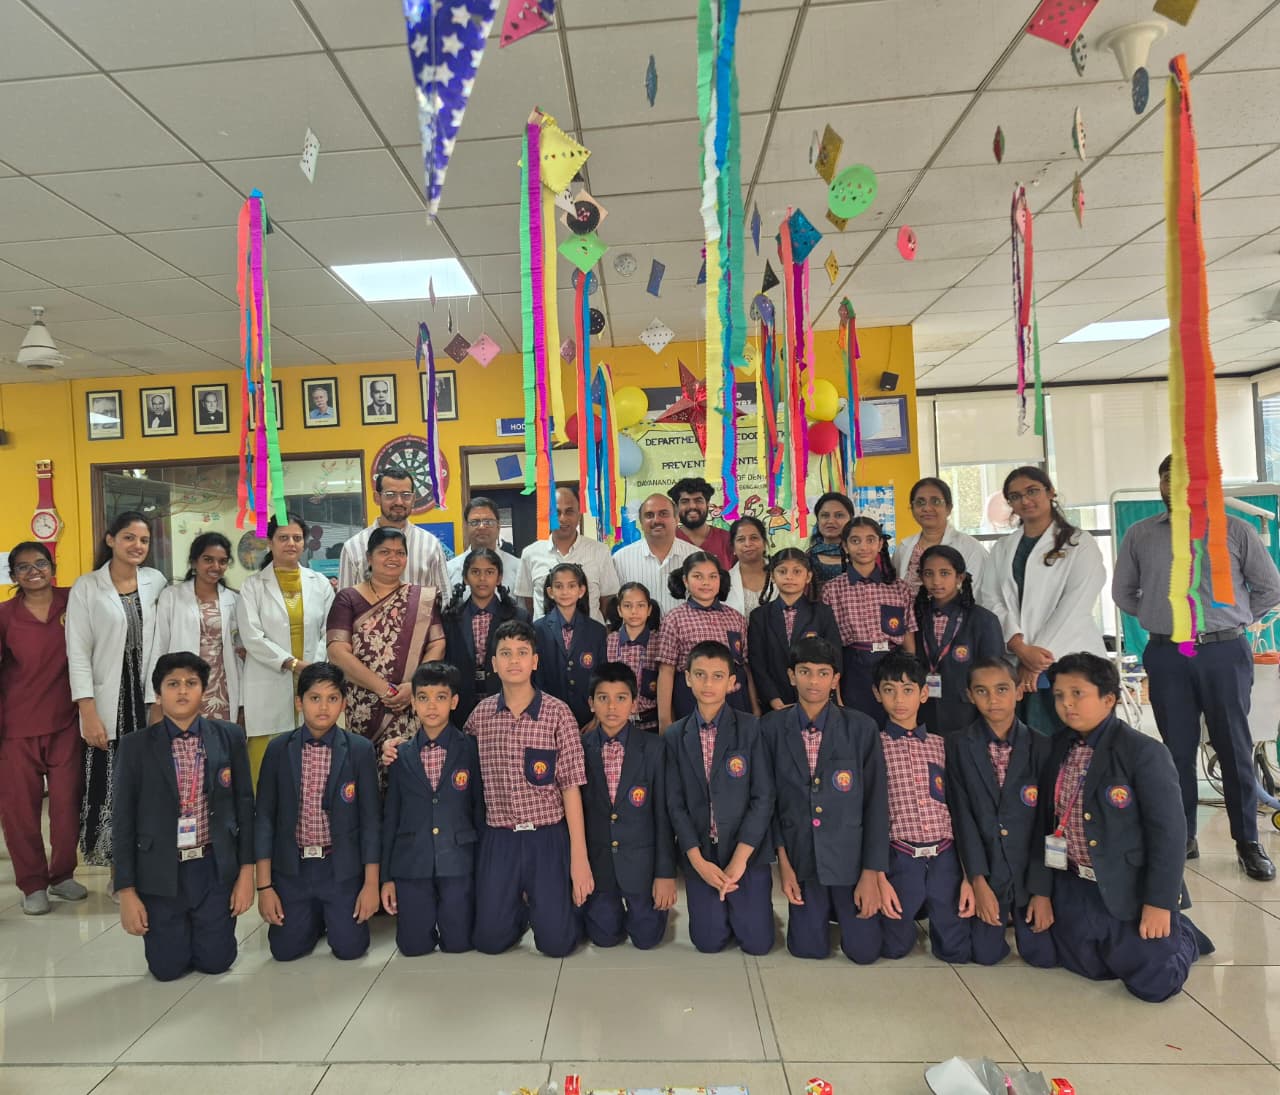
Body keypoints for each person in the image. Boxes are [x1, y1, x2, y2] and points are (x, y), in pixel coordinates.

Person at [1112, 456, 1280, 881]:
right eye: (1166, 478)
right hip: (1168, 654)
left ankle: (1248, 842)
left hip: (1223, 653)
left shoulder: (1235, 531)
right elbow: (1123, 593)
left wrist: (1235, 619)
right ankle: (1182, 836)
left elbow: (1269, 588)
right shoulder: (1140, 534)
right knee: (1176, 750)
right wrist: (1160, 618)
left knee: (1234, 748)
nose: (1173, 485)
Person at [1039, 653, 1211, 1002]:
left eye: (1077, 693)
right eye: (1059, 695)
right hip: (1074, 881)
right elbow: (1043, 823)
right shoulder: (1056, 746)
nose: (1067, 704)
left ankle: (1184, 935)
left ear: (1108, 699)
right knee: (1073, 962)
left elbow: (1169, 835)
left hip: (1128, 886)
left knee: (1155, 984)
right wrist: (1041, 892)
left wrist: (1159, 903)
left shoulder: (1143, 752)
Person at [112, 652, 255, 981]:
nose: (182, 691)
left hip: (212, 867)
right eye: (173, 684)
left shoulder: (228, 736)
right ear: (158, 694)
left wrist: (246, 873)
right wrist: (127, 891)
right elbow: (122, 821)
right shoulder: (135, 746)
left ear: (203, 690)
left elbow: (245, 806)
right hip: (161, 872)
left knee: (217, 962)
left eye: (191, 683)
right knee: (167, 969)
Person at [468, 619, 591, 957]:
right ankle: (519, 909)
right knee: (489, 942)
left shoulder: (558, 714)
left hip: (547, 836)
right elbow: (454, 756)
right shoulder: (480, 717)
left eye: (522, 652)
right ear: (494, 663)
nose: (514, 660)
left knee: (557, 945)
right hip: (500, 836)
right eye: (505, 653)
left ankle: (552, 906)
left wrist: (579, 858)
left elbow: (570, 788)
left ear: (535, 661)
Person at [763, 636, 887, 962]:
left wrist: (871, 873)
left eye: (822, 673)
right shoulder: (771, 728)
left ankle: (841, 912)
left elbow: (876, 804)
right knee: (807, 949)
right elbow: (768, 801)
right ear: (791, 676)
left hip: (850, 860)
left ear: (835, 679)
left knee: (864, 952)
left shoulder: (862, 728)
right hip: (802, 858)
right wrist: (784, 866)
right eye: (804, 671)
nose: (813, 681)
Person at [254, 662, 381, 962]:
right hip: (293, 869)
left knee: (350, 949)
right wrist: (265, 886)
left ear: (344, 703)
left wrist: (370, 884)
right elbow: (264, 819)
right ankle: (312, 917)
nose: (323, 707)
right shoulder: (278, 749)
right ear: (299, 702)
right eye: (314, 698)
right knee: (285, 951)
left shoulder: (359, 750)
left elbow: (371, 822)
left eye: (332, 698)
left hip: (340, 868)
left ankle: (328, 914)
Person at [66, 511, 167, 873]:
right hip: (108, 699)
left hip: (147, 696)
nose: (137, 545)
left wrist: (159, 701)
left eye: (143, 540)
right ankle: (116, 868)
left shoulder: (156, 581)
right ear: (110, 540)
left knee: (149, 782)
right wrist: (88, 712)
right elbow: (78, 652)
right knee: (109, 783)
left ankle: (146, 863)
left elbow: (163, 641)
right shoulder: (87, 587)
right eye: (129, 537)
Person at [663, 640, 774, 955]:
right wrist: (698, 861)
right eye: (699, 675)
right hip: (703, 850)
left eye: (717, 676)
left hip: (745, 850)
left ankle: (750, 909)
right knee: (708, 942)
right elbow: (676, 804)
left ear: (732, 682)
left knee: (757, 944)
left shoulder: (752, 728)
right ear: (687, 678)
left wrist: (739, 860)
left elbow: (763, 797)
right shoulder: (675, 735)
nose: (708, 684)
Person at [863, 653, 974, 962]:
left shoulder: (942, 745)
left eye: (908, 690)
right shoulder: (874, 746)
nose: (899, 699)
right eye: (889, 690)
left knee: (957, 950)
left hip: (944, 853)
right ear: (877, 694)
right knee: (894, 947)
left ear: (924, 694)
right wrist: (878, 874)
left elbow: (957, 806)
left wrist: (968, 873)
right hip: (900, 852)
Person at [946, 658, 1056, 968]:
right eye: (982, 691)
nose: (993, 699)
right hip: (988, 869)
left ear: (1019, 691)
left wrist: (1042, 892)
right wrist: (978, 881)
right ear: (970, 695)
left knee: (1043, 957)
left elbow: (1047, 825)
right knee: (985, 955)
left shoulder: (1042, 746)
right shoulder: (957, 745)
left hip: (1030, 873)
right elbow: (963, 818)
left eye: (1002, 689)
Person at [981, 467, 1106, 735]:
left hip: (1068, 656)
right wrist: (1020, 647)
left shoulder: (1079, 543)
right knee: (1029, 742)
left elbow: (1075, 603)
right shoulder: (1003, 548)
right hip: (1018, 662)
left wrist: (1036, 658)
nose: (1025, 500)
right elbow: (989, 599)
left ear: (1050, 492)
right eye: (1015, 496)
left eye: (1032, 491)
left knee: (1078, 738)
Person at [0, 542, 87, 915]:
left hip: (66, 722)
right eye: (23, 567)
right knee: (20, 810)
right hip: (15, 727)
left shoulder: (74, 601)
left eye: (40, 563)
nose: (33, 571)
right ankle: (32, 883)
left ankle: (62, 874)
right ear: (13, 575)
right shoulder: (5, 615)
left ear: (53, 566)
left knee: (67, 804)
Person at [381, 662, 485, 956]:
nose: (431, 706)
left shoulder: (470, 748)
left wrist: (482, 868)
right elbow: (391, 817)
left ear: (454, 701)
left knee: (459, 944)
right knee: (413, 947)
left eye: (440, 697)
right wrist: (387, 877)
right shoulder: (400, 754)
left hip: (458, 860)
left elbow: (479, 809)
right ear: (413, 703)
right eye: (423, 698)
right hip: (412, 862)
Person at [327, 527, 446, 767]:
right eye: (384, 552)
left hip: (411, 700)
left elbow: (437, 642)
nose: (393, 558)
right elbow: (337, 652)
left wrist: (414, 685)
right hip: (364, 703)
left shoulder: (422, 598)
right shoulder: (348, 598)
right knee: (365, 770)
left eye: (400, 553)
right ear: (369, 558)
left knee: (410, 769)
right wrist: (385, 690)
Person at [580, 662, 676, 949]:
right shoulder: (579, 747)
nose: (612, 707)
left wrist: (665, 874)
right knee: (604, 938)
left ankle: (649, 909)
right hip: (599, 866)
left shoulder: (654, 748)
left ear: (634, 704)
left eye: (621, 698)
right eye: (603, 698)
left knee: (647, 939)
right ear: (591, 703)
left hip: (642, 866)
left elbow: (663, 817)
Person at [237, 514, 334, 786]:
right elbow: (252, 636)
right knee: (266, 766)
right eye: (283, 538)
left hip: (312, 678)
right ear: (270, 543)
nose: (291, 543)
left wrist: (314, 667)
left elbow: (330, 631)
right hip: (270, 678)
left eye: (297, 538)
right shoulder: (252, 586)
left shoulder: (320, 583)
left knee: (311, 763)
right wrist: (292, 664)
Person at [821, 516, 916, 724]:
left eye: (870, 540)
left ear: (880, 544)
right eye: (855, 541)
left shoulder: (898, 587)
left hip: (893, 663)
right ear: (845, 546)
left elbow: (908, 634)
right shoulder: (832, 589)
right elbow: (830, 643)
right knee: (858, 724)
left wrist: (913, 672)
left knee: (893, 723)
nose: (863, 547)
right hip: (853, 667)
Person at [148, 533, 243, 725]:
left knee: (218, 740)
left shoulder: (234, 600)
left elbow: (239, 654)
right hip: (182, 688)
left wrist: (242, 703)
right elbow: (159, 647)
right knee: (181, 739)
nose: (216, 566)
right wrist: (154, 701)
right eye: (208, 560)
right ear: (194, 562)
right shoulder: (171, 596)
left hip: (221, 691)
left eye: (222, 561)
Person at [655, 552, 758, 727]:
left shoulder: (736, 618)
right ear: (685, 580)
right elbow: (666, 671)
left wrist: (755, 707)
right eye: (698, 576)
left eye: (712, 576)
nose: (706, 582)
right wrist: (665, 720)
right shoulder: (674, 619)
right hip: (690, 698)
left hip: (735, 698)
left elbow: (746, 667)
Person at [913, 545, 1004, 736]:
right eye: (929, 574)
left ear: (960, 577)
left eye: (944, 573)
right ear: (921, 577)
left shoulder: (983, 620)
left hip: (967, 713)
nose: (936, 581)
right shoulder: (916, 616)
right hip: (923, 710)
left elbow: (993, 674)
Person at [441, 548, 530, 725]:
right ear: (465, 578)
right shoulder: (451, 618)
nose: (482, 578)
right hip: (461, 704)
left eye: (489, 572)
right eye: (475, 572)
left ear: (499, 578)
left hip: (507, 700)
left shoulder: (518, 617)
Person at [748, 548, 841, 712]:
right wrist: (773, 699)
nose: (789, 577)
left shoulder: (822, 613)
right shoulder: (759, 616)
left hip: (818, 699)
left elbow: (835, 658)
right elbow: (758, 663)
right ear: (773, 576)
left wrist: (820, 696)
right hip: (776, 702)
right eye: (782, 571)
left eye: (797, 571)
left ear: (808, 576)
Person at [515, 485, 619, 623]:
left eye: (569, 511)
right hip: (544, 635)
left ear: (579, 514)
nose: (563, 518)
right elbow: (528, 603)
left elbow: (607, 601)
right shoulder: (530, 554)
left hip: (590, 635)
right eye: (556, 512)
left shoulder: (600, 552)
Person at [338, 466, 448, 595]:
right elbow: (343, 600)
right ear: (377, 497)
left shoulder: (431, 545)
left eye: (406, 495)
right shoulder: (353, 547)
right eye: (390, 495)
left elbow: (445, 598)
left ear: (413, 499)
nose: (399, 502)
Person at [534, 562, 609, 728]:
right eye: (558, 586)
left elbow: (602, 678)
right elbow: (536, 678)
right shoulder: (537, 629)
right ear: (550, 592)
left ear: (581, 591)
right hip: (548, 718)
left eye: (571, 586)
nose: (565, 591)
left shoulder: (597, 631)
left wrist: (597, 716)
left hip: (588, 718)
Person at [893, 478, 989, 597]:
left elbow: (976, 593)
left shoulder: (971, 548)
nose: (927, 508)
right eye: (920, 502)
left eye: (936, 501)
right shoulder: (903, 548)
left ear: (948, 508)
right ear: (912, 508)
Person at [611, 492, 696, 615]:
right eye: (649, 515)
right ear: (641, 522)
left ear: (676, 519)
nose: (656, 520)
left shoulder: (696, 557)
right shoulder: (620, 559)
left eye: (663, 514)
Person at [605, 582, 662, 733]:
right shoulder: (609, 641)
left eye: (640, 605)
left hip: (651, 725)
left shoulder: (659, 642)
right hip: (616, 723)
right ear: (619, 610)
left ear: (649, 610)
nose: (634, 611)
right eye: (628, 606)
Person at [445, 497, 521, 591]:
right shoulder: (449, 570)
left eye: (488, 522)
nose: (481, 527)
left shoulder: (518, 568)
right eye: (475, 522)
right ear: (466, 528)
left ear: (498, 527)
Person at [667, 477, 734, 571]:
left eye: (698, 501)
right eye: (685, 501)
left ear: (707, 504)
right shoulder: (667, 540)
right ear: (677, 507)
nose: (692, 506)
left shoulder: (727, 539)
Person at [726, 515, 768, 618]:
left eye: (754, 538)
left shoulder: (781, 573)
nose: (748, 544)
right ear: (733, 548)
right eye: (741, 539)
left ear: (764, 543)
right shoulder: (724, 581)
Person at [809, 491, 857, 582]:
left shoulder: (865, 554)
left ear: (851, 520)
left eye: (839, 515)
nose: (831, 521)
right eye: (825, 515)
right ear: (818, 520)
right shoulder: (806, 560)